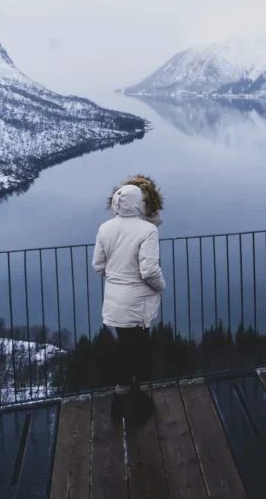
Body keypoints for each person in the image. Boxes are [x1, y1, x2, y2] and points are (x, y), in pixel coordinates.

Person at [93, 182, 166, 427]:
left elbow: (98, 265)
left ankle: (125, 401)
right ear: (139, 203)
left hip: (114, 299)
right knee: (135, 352)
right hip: (138, 302)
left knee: (126, 349)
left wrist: (117, 279)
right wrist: (161, 286)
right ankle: (125, 403)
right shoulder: (147, 231)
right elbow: (149, 270)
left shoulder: (105, 228)